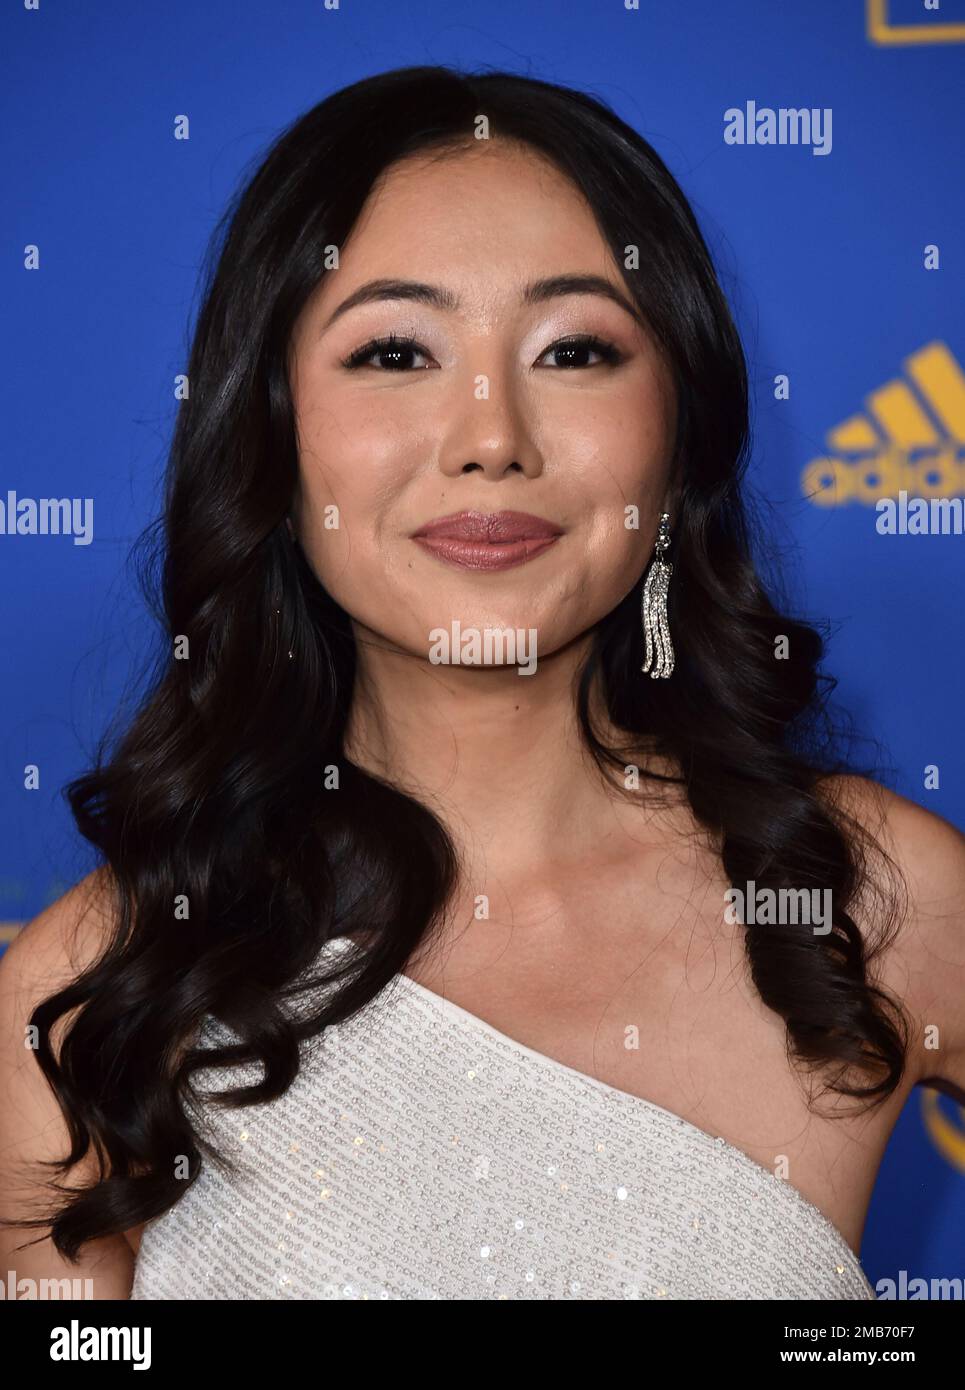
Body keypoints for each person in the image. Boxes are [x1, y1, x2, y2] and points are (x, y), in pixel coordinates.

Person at [1, 65, 963, 1302]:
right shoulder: (99, 988)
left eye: (574, 350)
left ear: (676, 444)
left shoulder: (877, 903)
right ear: (270, 437)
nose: (490, 434)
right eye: (395, 350)